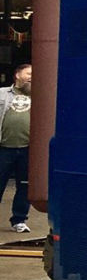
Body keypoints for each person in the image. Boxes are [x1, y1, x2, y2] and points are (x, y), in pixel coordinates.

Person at [0, 64, 32, 232]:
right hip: (4, 148)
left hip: (28, 149)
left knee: (25, 186)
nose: (32, 77)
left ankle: (19, 220)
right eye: (28, 73)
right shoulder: (2, 93)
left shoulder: (39, 95)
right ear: (17, 75)